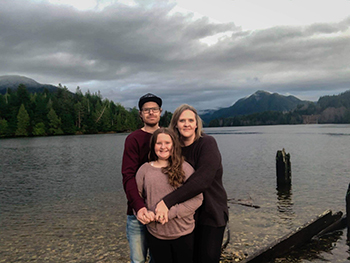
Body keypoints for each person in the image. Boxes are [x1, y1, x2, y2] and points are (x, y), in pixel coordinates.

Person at [155, 104, 229, 263]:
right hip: (186, 215)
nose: (186, 124)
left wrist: (166, 202)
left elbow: (203, 180)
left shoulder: (207, 143)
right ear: (175, 124)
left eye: (190, 120)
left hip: (211, 213)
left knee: (207, 259)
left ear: (196, 124)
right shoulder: (174, 149)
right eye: (182, 120)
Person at [135, 128, 203, 263]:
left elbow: (198, 198)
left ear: (174, 145)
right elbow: (137, 198)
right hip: (156, 234)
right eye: (159, 143)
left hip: (183, 232)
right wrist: (142, 212)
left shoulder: (185, 168)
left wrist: (171, 213)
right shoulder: (144, 170)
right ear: (153, 145)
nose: (163, 147)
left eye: (167, 143)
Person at [121, 93, 162, 263]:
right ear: (140, 114)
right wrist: (138, 207)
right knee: (137, 259)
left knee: (159, 258)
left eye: (154, 109)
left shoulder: (168, 137)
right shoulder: (133, 139)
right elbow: (128, 176)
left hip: (162, 211)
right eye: (146, 110)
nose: (151, 113)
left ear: (160, 112)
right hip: (137, 212)